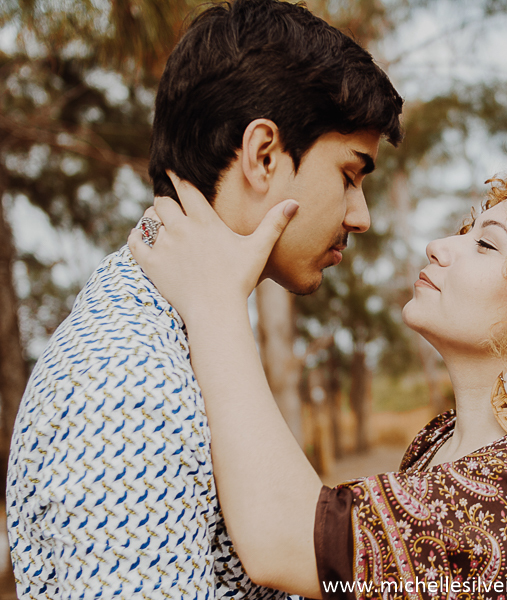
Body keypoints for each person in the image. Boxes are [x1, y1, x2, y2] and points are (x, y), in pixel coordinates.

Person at [129, 139, 507, 599]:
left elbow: (284, 540)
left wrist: (214, 301)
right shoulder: (439, 442)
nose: (439, 246)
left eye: (485, 243)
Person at [5, 0, 403, 598]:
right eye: (350, 174)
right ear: (262, 155)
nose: (360, 215)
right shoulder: (126, 383)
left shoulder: (188, 336)